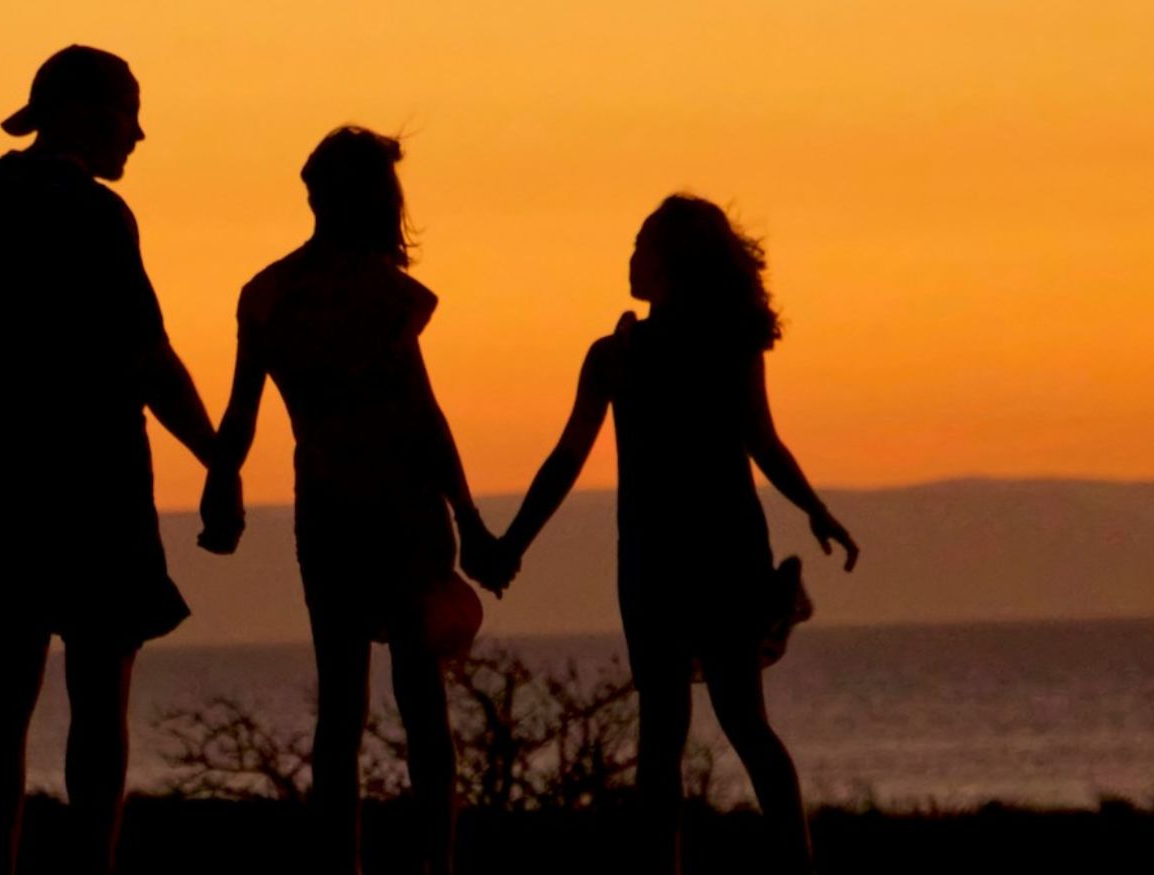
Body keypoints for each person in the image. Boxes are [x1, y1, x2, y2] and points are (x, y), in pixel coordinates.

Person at [475, 194, 861, 875]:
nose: (631, 256)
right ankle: (775, 863)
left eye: (642, 245)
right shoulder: (640, 354)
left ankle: (753, 865)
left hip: (682, 554)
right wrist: (513, 543)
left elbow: (758, 442)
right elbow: (568, 461)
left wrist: (815, 506)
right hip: (693, 551)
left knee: (687, 730)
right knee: (718, 725)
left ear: (672, 263)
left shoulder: (649, 353)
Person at [0, 45, 217, 875]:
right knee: (98, 703)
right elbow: (149, 358)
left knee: (3, 698)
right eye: (129, 114)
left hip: (4, 476)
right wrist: (218, 460)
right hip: (100, 482)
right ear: (86, 114)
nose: (140, 134)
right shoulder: (97, 215)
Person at [200, 127, 490, 875]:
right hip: (402, 511)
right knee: (421, 703)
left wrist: (222, 482)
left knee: (342, 708)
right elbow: (423, 415)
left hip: (324, 510)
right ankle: (436, 862)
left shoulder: (266, 293)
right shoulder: (383, 293)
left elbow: (240, 414)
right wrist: (470, 515)